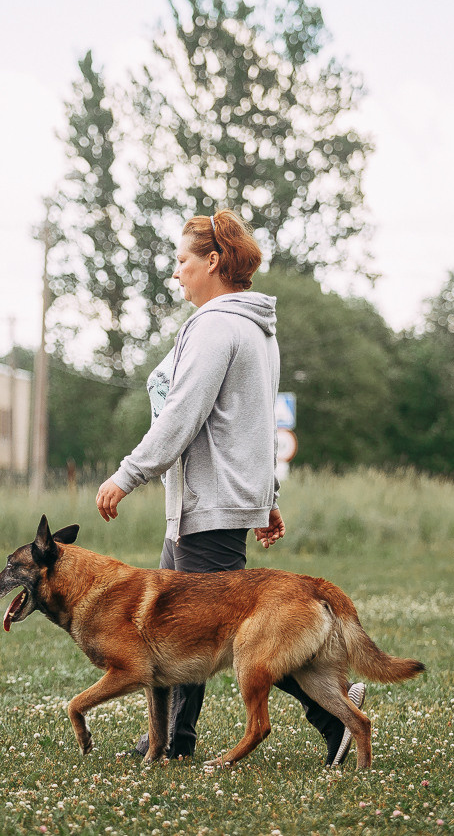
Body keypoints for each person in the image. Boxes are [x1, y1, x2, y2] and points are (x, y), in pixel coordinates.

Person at [95, 209, 365, 766]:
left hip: (210, 502)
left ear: (214, 261)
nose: (176, 273)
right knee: (176, 630)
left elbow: (182, 414)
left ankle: (334, 714)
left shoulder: (217, 326)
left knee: (223, 634)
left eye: (183, 261)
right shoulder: (253, 327)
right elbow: (256, 423)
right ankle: (171, 740)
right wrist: (267, 499)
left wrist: (128, 474)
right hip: (210, 500)